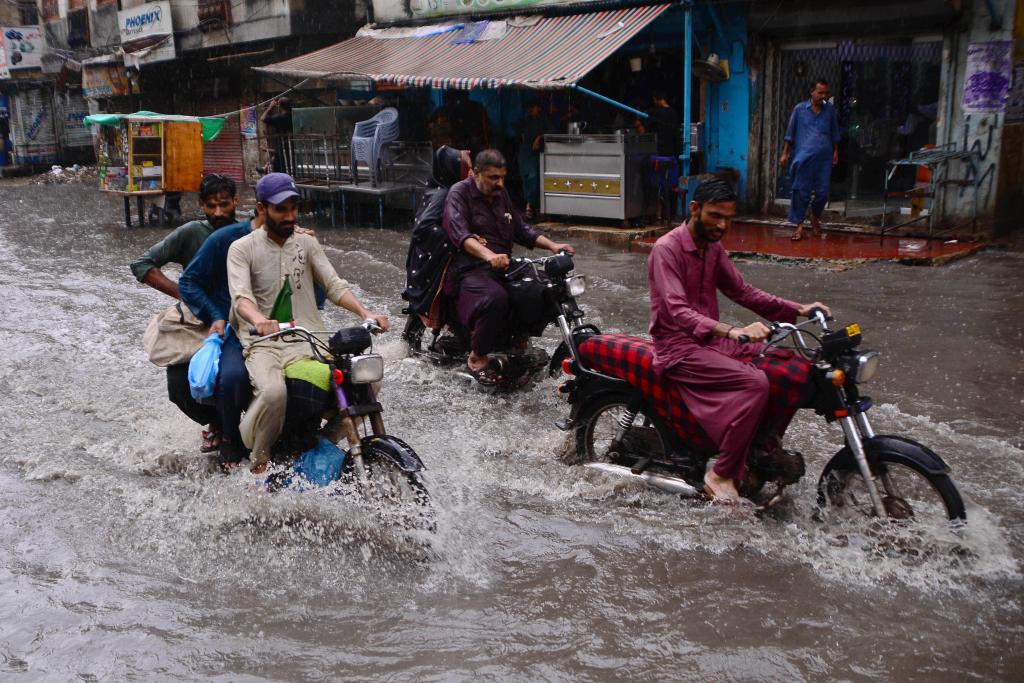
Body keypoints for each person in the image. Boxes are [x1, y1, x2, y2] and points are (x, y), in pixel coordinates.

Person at [647, 178, 830, 502]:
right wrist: (732, 331)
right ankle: (720, 473)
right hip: (678, 347)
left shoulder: (713, 248)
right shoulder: (667, 249)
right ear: (695, 208)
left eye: (729, 219)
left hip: (712, 342)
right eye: (715, 216)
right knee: (754, 383)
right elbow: (677, 311)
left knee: (789, 369)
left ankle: (760, 450)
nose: (722, 225)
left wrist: (798, 309)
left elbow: (742, 291)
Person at [227, 173, 389, 471]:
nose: (290, 216)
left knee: (369, 381)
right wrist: (260, 320)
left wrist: (366, 314)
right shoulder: (241, 248)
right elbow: (241, 299)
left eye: (293, 208)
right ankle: (260, 461)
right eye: (281, 210)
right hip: (266, 343)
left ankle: (324, 441)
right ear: (262, 208)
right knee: (274, 394)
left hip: (310, 340)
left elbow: (334, 285)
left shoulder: (306, 243)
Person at [130, 174, 241, 451]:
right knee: (179, 385)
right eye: (211, 206)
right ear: (201, 204)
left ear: (236, 202)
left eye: (224, 205)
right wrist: (185, 294)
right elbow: (143, 264)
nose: (218, 212)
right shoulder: (192, 233)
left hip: (244, 320)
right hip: (201, 324)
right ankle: (216, 422)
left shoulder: (249, 230)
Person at [442, 149, 573, 384]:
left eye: (502, 177)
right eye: (493, 178)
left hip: (504, 264)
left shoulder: (501, 194)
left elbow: (522, 228)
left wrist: (552, 246)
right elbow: (460, 234)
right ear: (476, 173)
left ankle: (518, 338)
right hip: (470, 268)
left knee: (545, 287)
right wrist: (488, 255)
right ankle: (477, 355)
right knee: (495, 297)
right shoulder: (458, 194)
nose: (500, 183)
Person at [780, 79, 840, 241]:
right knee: (801, 192)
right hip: (803, 158)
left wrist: (835, 151)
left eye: (825, 93)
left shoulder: (830, 110)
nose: (823, 96)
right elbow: (789, 134)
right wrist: (785, 153)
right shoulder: (799, 110)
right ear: (812, 92)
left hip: (824, 159)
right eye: (820, 92)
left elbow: (834, 133)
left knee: (822, 193)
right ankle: (799, 226)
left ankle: (814, 216)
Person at [635, 90, 681, 221]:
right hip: (671, 156)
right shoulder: (673, 113)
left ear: (655, 99)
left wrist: (638, 121)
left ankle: (645, 212)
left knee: (648, 179)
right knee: (667, 186)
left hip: (659, 157)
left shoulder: (654, 112)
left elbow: (642, 130)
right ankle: (668, 214)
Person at [515, 99, 550, 221]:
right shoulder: (524, 121)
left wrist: (539, 138)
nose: (530, 109)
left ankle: (533, 205)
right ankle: (530, 206)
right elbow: (517, 132)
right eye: (529, 107)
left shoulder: (544, 121)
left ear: (539, 108)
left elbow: (550, 132)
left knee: (534, 179)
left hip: (536, 154)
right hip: (525, 153)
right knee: (526, 178)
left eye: (533, 106)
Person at [261, 96, 293, 173]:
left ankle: (266, 168)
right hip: (291, 145)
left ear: (280, 106)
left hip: (283, 147)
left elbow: (262, 118)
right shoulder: (292, 115)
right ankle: (265, 168)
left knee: (281, 166)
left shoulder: (279, 118)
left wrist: (270, 107)